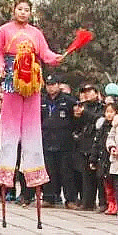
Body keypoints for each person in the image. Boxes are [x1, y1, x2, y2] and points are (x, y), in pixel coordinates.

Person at [0, 0, 64, 207]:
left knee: (32, 129)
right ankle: (6, 174)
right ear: (13, 10)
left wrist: (55, 58)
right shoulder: (4, 30)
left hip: (32, 81)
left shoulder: (36, 33)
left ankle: (34, 174)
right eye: (20, 9)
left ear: (30, 12)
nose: (23, 13)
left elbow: (45, 53)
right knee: (10, 128)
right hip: (12, 78)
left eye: (27, 10)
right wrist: (1, 67)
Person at [40, 74, 79, 208]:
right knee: (49, 172)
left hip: (64, 142)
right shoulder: (42, 101)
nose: (50, 88)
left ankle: (70, 200)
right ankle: (49, 198)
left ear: (58, 85)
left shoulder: (68, 101)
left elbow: (75, 119)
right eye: (48, 85)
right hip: (47, 140)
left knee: (66, 172)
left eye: (53, 84)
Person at [92, 102, 118, 214]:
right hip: (102, 158)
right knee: (104, 182)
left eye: (112, 112)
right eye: (107, 112)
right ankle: (107, 203)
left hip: (113, 157)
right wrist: (93, 158)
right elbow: (96, 143)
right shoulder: (103, 126)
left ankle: (116, 204)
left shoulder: (117, 126)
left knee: (114, 183)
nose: (109, 114)